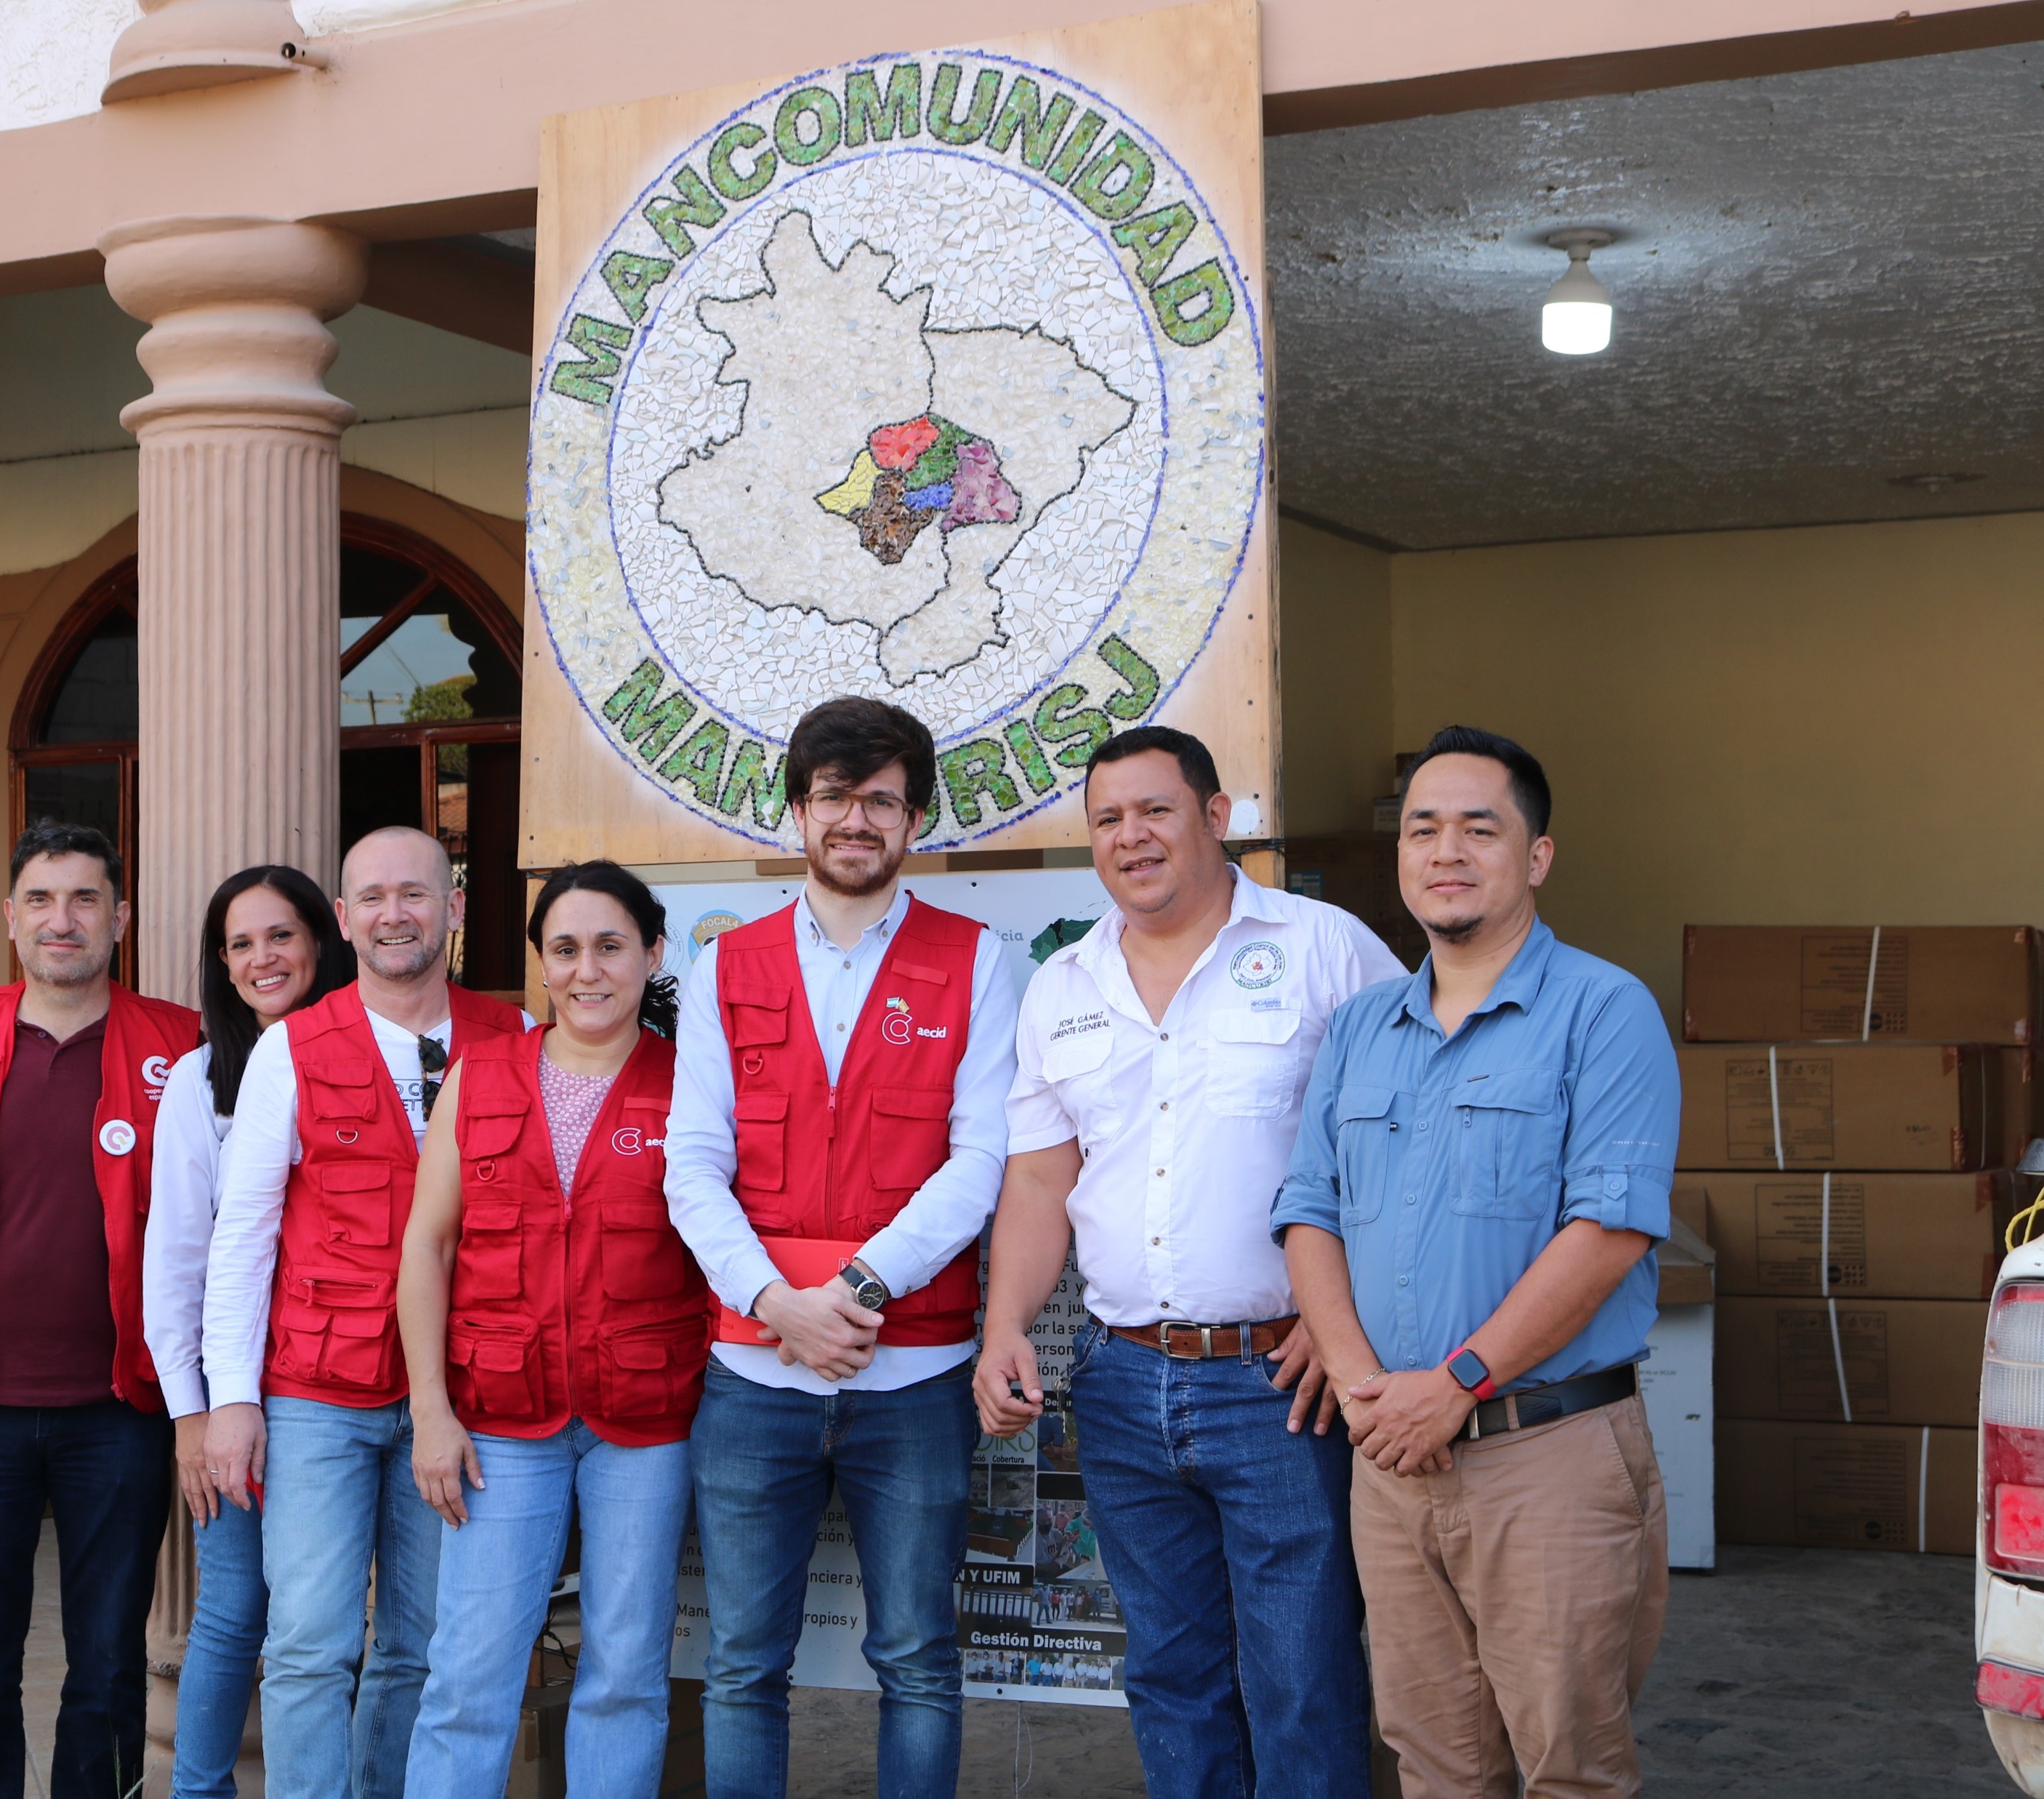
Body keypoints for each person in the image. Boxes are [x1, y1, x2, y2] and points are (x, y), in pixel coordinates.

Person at [973, 725, 1405, 1798]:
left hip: (1283, 1380)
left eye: (1156, 809)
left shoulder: (1326, 948)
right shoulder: (1061, 984)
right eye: (1109, 818)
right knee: (1171, 1673)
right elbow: (1038, 1179)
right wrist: (1005, 1322)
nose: (1132, 837)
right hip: (1120, 1379)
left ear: (1217, 816)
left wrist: (1339, 1321)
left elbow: (1407, 1139)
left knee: (1301, 1677)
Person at [1272, 725, 1678, 1798]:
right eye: (1423, 828)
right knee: (1434, 1759)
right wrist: (1366, 1386)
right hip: (1392, 1459)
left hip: (1545, 1453)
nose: (1446, 850)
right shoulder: (1360, 1026)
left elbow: (1609, 1232)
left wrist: (1457, 1383)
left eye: (1479, 828)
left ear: (1536, 856)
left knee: (1568, 1764)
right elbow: (1310, 1212)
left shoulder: (1605, 1009)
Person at [664, 696, 1018, 1799]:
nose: (855, 818)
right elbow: (691, 1162)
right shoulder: (726, 964)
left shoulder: (979, 960)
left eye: (880, 798)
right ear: (798, 810)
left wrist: (853, 1287)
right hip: (752, 1371)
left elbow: (982, 1158)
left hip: (913, 1372)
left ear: (915, 817)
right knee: (739, 1664)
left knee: (916, 1658)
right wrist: (780, 1301)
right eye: (834, 795)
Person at [198, 826, 528, 1799]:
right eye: (373, 897)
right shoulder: (288, 1048)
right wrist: (231, 1397)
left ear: (454, 907)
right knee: (308, 1640)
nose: (396, 913)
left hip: (462, 1395)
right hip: (315, 1391)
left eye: (417, 893)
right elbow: (242, 1232)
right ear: (343, 920)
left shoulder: (509, 1041)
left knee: (423, 1640)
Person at [0, 819, 201, 1799]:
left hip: (120, 1409)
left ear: (120, 916)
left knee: (108, 1661)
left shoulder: (179, 1043)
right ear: (10, 917)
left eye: (82, 899)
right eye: (40, 898)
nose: (60, 919)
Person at [397, 861, 709, 1798]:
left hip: (643, 1424)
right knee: (469, 1672)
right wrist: (430, 1413)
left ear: (652, 954)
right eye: (564, 949)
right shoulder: (481, 1073)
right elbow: (428, 1244)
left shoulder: (692, 1082)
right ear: (539, 962)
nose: (587, 971)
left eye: (611, 947)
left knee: (623, 1674)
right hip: (498, 1422)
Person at [144, 866, 355, 1799]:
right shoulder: (201, 1079)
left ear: (321, 940)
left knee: (343, 1621)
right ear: (220, 966)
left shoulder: (374, 1055)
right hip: (243, 1393)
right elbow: (176, 1257)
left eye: (280, 935)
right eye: (240, 944)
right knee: (235, 1605)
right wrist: (191, 1412)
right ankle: (198, 1792)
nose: (262, 958)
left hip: (358, 1379)